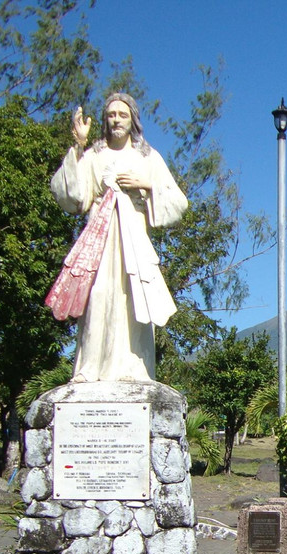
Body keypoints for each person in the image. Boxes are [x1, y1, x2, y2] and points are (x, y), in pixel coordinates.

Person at [47, 93, 188, 382]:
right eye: (111, 115)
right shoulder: (93, 155)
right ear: (104, 120)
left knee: (131, 298)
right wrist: (79, 145)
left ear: (132, 119)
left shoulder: (147, 156)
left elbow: (178, 202)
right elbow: (72, 197)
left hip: (133, 240)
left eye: (122, 115)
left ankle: (133, 369)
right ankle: (90, 369)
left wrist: (146, 185)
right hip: (99, 239)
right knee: (97, 295)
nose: (116, 120)